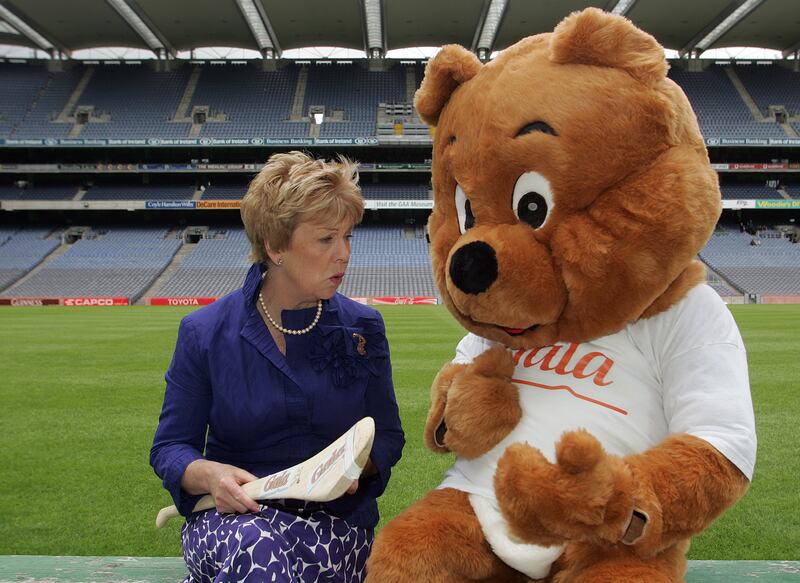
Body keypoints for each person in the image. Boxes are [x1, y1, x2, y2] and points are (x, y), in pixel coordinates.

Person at [150, 151, 405, 583]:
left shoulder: (364, 328)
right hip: (232, 525)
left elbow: (390, 436)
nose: (343, 254)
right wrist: (210, 475)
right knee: (258, 550)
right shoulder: (204, 332)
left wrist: (355, 470)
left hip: (334, 526)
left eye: (348, 237)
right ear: (275, 246)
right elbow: (170, 449)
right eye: (326, 239)